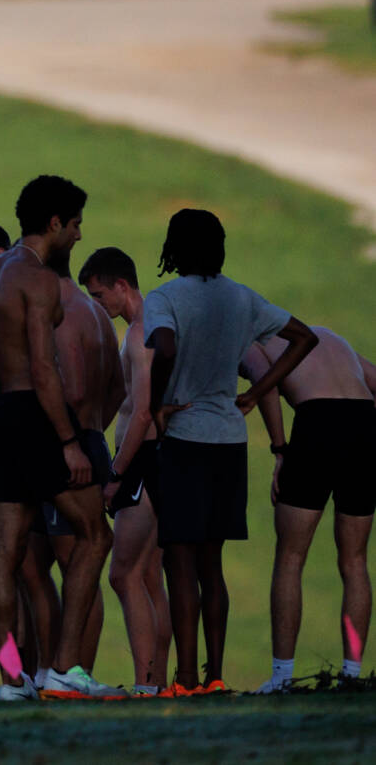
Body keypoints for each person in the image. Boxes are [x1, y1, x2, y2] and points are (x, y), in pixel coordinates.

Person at [143, 207, 317, 694]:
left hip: (183, 437)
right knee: (211, 564)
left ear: (173, 248)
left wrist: (157, 404)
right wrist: (257, 393)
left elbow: (166, 348)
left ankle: (182, 678)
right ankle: (216, 676)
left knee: (178, 561)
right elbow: (305, 338)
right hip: (228, 441)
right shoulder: (241, 297)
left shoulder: (166, 296)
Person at [0, 175, 112, 700]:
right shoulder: (39, 280)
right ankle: (65, 668)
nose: (79, 235)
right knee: (97, 536)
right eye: (75, 224)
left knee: (5, 550)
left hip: (0, 411)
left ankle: (12, 679)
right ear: (55, 223)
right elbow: (43, 366)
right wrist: (68, 442)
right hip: (35, 412)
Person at [239, 322, 373, 690]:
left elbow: (264, 382)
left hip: (317, 423)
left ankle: (282, 677)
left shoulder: (251, 337)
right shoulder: (334, 337)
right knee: (355, 559)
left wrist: (280, 450)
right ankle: (352, 674)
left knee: (291, 557)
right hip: (364, 423)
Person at [80, 246, 171, 694]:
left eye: (99, 296)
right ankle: (160, 679)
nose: (98, 306)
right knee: (151, 574)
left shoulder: (140, 334)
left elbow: (142, 413)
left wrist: (115, 472)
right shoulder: (154, 324)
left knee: (123, 574)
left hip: (141, 461)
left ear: (122, 285)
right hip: (158, 459)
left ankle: (146, 683)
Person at [44, 233, 126, 688]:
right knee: (85, 566)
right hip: (92, 438)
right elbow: (117, 386)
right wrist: (93, 430)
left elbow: (71, 389)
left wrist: (64, 438)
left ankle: (68, 670)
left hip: (69, 445)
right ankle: (78, 672)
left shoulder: (61, 314)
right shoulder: (97, 313)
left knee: (78, 564)